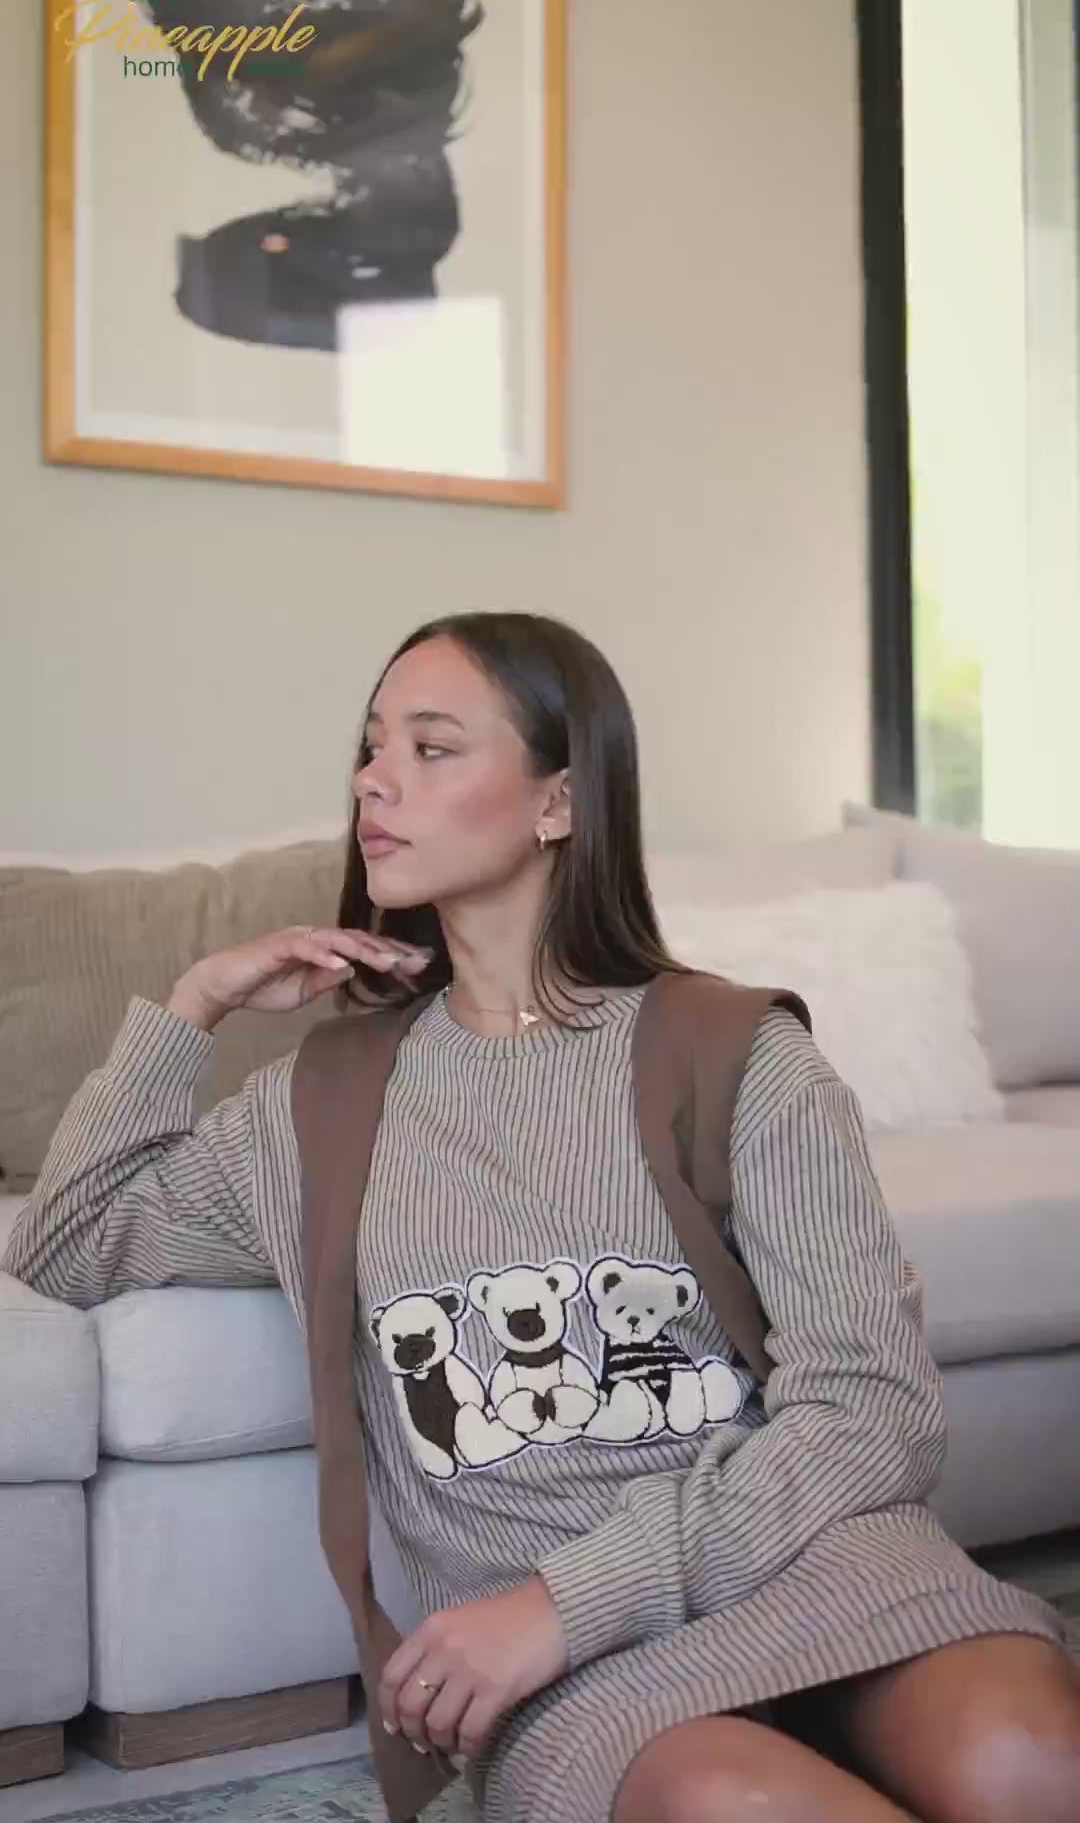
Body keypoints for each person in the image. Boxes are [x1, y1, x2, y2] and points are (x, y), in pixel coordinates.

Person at [5, 611, 1079, 1823]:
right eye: (372, 748)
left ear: (558, 802)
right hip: (563, 1663)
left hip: (805, 1563)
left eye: (433, 747)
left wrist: (575, 1596)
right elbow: (65, 1243)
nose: (375, 779)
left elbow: (874, 1409)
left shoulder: (733, 1054)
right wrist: (194, 1003)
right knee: (751, 1807)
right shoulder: (321, 1105)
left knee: (1029, 1765)